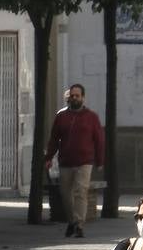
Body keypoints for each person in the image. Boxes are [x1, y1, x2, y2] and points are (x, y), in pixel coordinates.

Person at [44, 84, 106, 238]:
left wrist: (100, 160)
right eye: (72, 95)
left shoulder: (91, 117)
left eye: (77, 95)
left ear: (83, 97)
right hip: (66, 161)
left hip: (85, 161)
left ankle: (79, 224)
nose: (74, 98)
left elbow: (99, 140)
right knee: (65, 194)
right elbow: (53, 139)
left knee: (80, 191)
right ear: (68, 97)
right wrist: (49, 157)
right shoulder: (61, 116)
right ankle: (71, 221)